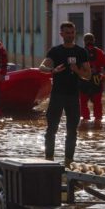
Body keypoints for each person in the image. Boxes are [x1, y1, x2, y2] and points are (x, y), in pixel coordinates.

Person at [39, 21, 91, 166]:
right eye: (67, 33)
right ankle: (49, 160)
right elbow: (42, 67)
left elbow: (88, 75)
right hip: (57, 95)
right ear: (61, 34)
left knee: (72, 130)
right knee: (51, 128)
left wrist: (76, 70)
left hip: (73, 95)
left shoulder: (81, 52)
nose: (71, 35)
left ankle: (69, 161)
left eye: (72, 32)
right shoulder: (55, 51)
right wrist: (52, 71)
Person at [78, 32, 105, 127]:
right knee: (97, 102)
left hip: (84, 80)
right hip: (96, 80)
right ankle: (97, 120)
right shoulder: (99, 52)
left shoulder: (80, 52)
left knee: (83, 101)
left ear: (84, 42)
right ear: (94, 41)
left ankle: (85, 119)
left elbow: (75, 67)